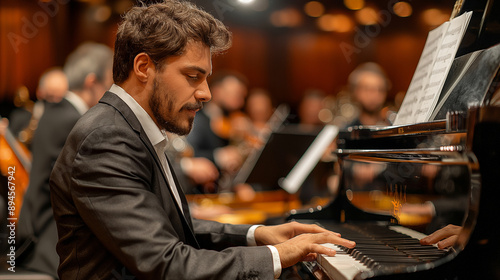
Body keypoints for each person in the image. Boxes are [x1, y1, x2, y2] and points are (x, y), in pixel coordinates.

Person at [49, 1, 356, 279]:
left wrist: (258, 234)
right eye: (193, 76)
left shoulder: (130, 128)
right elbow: (167, 263)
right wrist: (277, 255)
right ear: (144, 67)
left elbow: (169, 225)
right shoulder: (106, 137)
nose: (206, 93)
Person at [16, 42, 113, 278]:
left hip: (39, 231)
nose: (113, 92)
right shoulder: (74, 121)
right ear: (92, 83)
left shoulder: (56, 111)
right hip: (54, 243)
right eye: (110, 83)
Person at [8, 68, 68, 148]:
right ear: (39, 93)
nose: (55, 104)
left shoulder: (69, 122)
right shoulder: (19, 118)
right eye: (51, 97)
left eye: (61, 98)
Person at [347, 62, 391, 127]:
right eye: (367, 89)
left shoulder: (392, 126)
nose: (375, 95)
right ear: (356, 92)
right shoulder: (348, 131)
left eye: (380, 89)